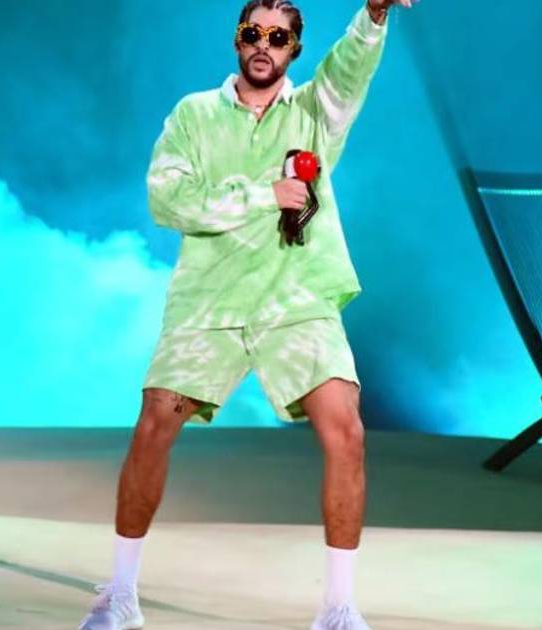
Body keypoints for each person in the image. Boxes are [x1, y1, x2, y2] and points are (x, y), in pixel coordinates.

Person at [78, 1, 417, 629]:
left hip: (296, 299)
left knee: (346, 429)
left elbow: (351, 68)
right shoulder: (194, 115)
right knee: (154, 423)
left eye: (278, 37)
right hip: (210, 301)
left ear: (294, 48)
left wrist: (373, 13)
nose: (264, 44)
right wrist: (265, 195)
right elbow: (167, 200)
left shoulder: (315, 113)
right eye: (253, 33)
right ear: (237, 40)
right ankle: (120, 595)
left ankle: (339, 608)